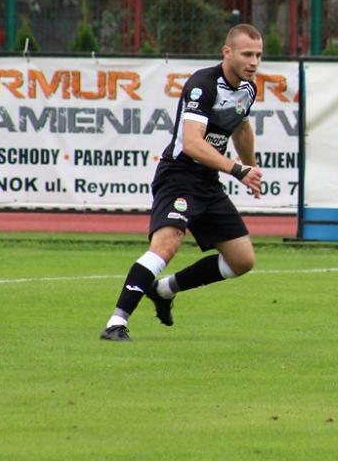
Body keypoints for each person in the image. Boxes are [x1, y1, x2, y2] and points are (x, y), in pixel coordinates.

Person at [100, 23, 265, 341]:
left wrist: (251, 168)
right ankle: (116, 323)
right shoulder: (203, 85)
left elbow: (242, 129)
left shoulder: (248, 88)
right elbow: (191, 143)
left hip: (208, 181)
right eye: (247, 54)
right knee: (166, 245)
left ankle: (163, 290)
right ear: (227, 52)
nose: (254, 61)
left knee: (242, 260)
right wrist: (237, 170)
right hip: (179, 175)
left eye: (258, 55)